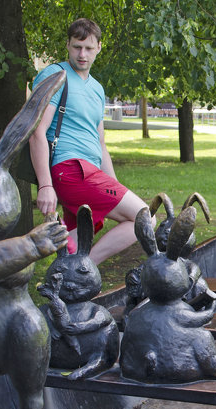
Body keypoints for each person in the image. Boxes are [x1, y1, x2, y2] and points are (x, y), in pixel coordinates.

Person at [28, 18, 147, 265]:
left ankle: (67, 281)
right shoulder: (55, 75)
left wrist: (113, 184)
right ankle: (85, 269)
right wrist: (44, 185)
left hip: (90, 170)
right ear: (68, 45)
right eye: (77, 47)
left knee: (73, 243)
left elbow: (100, 143)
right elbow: (37, 131)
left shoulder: (97, 89)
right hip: (70, 168)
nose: (82, 54)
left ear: (99, 48)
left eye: (89, 48)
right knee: (144, 218)